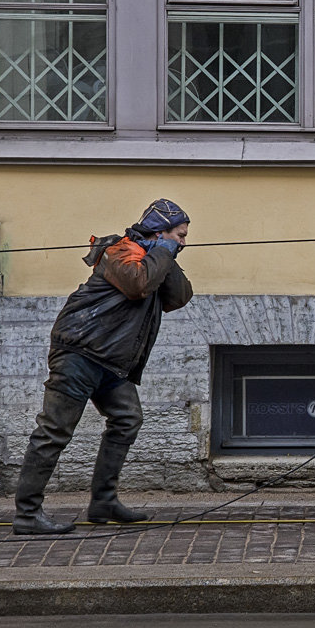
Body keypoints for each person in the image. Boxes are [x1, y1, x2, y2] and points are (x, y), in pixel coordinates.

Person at [12, 199, 194, 535]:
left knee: (127, 419)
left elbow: (179, 297)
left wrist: (166, 253)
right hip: (79, 355)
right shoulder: (120, 252)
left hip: (110, 363)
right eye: (179, 235)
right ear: (160, 231)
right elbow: (138, 285)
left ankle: (103, 501)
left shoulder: (155, 257)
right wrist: (163, 250)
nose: (183, 241)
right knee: (54, 431)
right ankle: (27, 515)